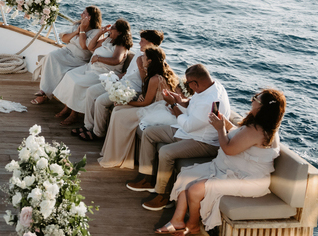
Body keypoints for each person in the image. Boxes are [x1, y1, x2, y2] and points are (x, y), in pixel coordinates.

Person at [158, 89, 285, 235]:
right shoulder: (256, 124)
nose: (252, 100)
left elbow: (228, 149)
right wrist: (224, 122)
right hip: (231, 169)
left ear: (263, 107)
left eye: (256, 98)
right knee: (188, 177)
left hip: (248, 180)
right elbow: (237, 135)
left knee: (195, 189)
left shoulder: (258, 130)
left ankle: (192, 225)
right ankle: (177, 220)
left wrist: (220, 129)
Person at [127, 63, 232, 211]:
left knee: (166, 152)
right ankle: (147, 178)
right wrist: (179, 100)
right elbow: (193, 103)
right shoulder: (212, 86)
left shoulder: (212, 101)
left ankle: (163, 195)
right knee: (149, 133)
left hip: (203, 141)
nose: (187, 86)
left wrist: (172, 106)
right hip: (188, 132)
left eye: (189, 83)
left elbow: (188, 124)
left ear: (195, 83)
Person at [98, 46, 179, 165]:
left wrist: (125, 101)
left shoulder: (155, 78)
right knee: (117, 110)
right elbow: (147, 96)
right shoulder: (155, 73)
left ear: (150, 61)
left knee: (120, 115)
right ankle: (112, 152)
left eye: (144, 57)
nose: (141, 59)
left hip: (156, 109)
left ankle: (118, 156)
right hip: (153, 105)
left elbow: (146, 103)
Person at [79, 29, 164, 141]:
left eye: (142, 41)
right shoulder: (139, 53)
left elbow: (148, 82)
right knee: (91, 91)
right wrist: (113, 78)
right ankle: (88, 126)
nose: (139, 43)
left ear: (151, 44)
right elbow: (128, 73)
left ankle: (98, 133)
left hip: (132, 89)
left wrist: (140, 68)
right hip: (121, 82)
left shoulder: (152, 59)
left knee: (100, 101)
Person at [53, 19, 132, 126]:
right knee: (69, 75)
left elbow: (116, 60)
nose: (110, 29)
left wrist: (99, 58)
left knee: (78, 83)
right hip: (92, 68)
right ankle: (68, 107)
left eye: (113, 28)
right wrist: (100, 33)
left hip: (104, 73)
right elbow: (90, 47)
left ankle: (74, 114)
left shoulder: (121, 45)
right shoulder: (108, 39)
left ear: (120, 32)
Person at [31, 6, 102, 105]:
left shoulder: (96, 32)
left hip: (78, 59)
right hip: (66, 51)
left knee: (59, 67)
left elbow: (84, 46)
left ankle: (45, 95)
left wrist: (82, 30)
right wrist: (76, 31)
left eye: (84, 13)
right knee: (51, 56)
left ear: (90, 17)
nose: (81, 15)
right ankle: (44, 90)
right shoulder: (77, 25)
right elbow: (64, 39)